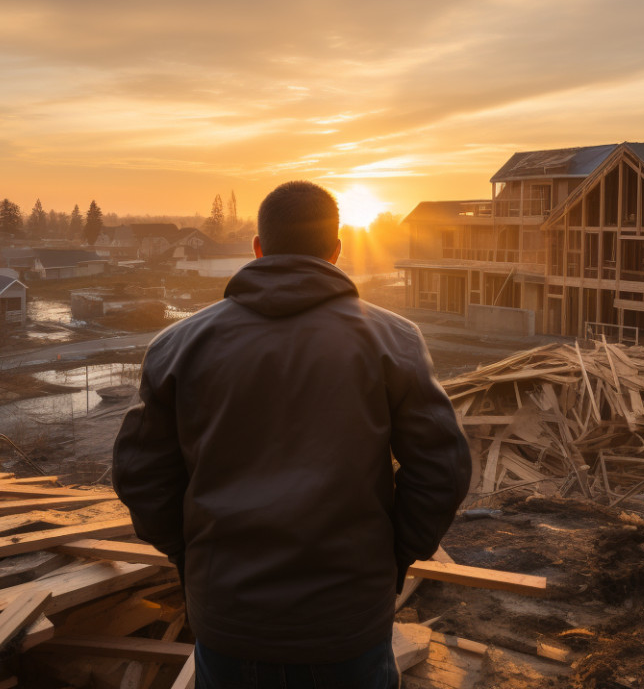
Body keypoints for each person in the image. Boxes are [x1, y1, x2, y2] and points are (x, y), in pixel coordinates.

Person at [113, 180, 472, 688]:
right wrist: (392, 557)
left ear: (258, 248)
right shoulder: (393, 341)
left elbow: (139, 475)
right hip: (346, 621)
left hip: (229, 619)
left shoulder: (178, 346)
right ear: (336, 250)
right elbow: (443, 470)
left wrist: (191, 557)